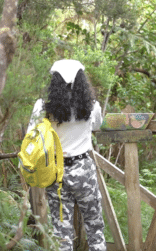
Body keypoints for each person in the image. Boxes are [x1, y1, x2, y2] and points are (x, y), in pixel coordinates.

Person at [27, 59, 106, 251]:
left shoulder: (43, 106)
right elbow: (97, 125)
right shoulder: (91, 106)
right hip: (84, 170)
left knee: (62, 233)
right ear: (81, 80)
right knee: (94, 226)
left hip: (56, 172)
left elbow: (31, 134)